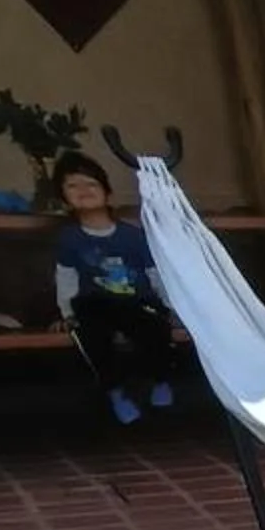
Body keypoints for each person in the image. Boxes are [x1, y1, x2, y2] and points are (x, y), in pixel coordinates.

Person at [52, 152, 179, 426]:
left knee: (155, 328)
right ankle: (115, 392)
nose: (83, 191)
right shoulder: (70, 238)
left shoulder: (132, 236)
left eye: (91, 184)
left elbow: (153, 273)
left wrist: (169, 305)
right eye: (72, 186)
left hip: (136, 301)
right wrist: (66, 311)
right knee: (92, 336)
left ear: (107, 193)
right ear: (64, 199)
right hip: (95, 303)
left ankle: (161, 381)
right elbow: (66, 276)